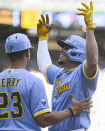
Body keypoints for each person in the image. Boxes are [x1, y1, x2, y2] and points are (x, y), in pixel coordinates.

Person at [0, 33, 92, 131]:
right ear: (27, 53)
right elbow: (43, 120)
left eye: (67, 48)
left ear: (7, 54)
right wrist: (71, 111)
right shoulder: (33, 82)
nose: (61, 50)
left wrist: (43, 38)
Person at [37, 1, 99, 131]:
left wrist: (90, 28)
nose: (61, 50)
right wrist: (43, 38)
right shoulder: (59, 73)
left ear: (77, 52)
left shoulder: (83, 74)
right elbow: (44, 65)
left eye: (66, 47)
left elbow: (92, 60)